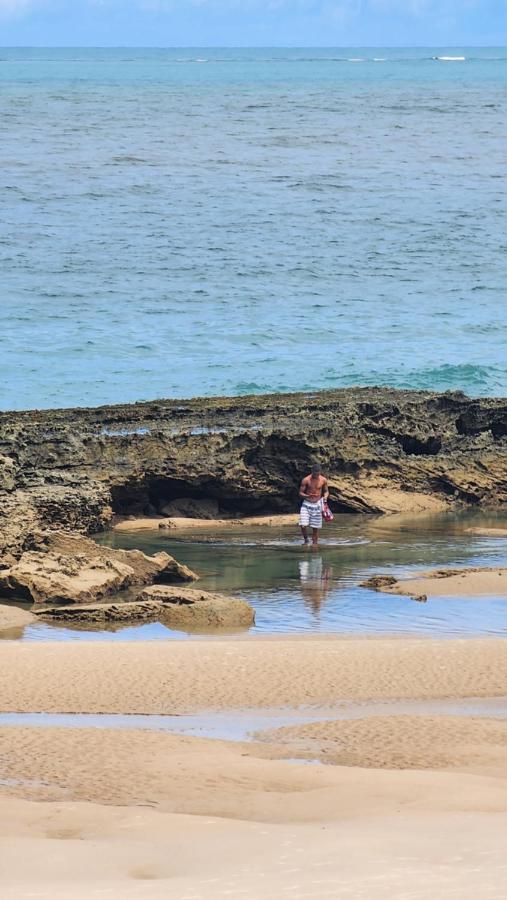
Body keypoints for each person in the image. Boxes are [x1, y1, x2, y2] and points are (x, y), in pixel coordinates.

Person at [299, 463, 329, 546]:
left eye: (318, 473)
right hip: (306, 504)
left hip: (317, 505)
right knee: (303, 525)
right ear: (312, 471)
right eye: (315, 473)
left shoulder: (323, 480)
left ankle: (315, 544)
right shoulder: (306, 480)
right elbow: (300, 493)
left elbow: (326, 491)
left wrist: (325, 497)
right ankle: (306, 540)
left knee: (315, 527)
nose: (316, 475)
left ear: (320, 472)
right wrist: (308, 495)